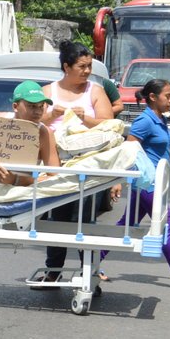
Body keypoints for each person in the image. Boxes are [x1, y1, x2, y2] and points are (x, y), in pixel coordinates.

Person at [100, 78, 170, 289]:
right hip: (147, 184)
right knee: (167, 225)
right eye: (168, 96)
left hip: (153, 183)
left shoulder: (159, 119)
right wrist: (120, 180)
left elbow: (165, 149)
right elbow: (129, 151)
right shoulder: (144, 121)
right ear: (153, 97)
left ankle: (91, 259)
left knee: (127, 226)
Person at [40, 41, 114, 278]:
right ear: (66, 66)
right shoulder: (48, 91)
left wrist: (86, 121)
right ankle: (53, 270)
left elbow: (110, 125)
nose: (87, 71)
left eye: (89, 66)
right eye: (82, 66)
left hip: (89, 166)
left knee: (84, 219)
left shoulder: (95, 91)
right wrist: (52, 114)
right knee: (57, 217)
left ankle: (89, 272)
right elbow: (34, 123)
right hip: (56, 165)